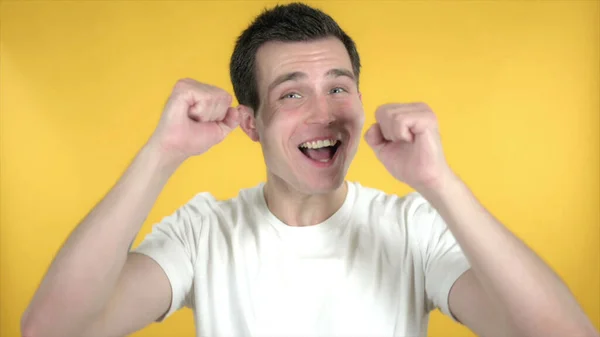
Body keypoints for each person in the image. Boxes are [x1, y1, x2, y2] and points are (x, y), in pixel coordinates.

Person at [21, 3, 597, 337]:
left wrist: (441, 185)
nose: (326, 113)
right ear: (251, 122)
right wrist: (161, 154)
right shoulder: (203, 234)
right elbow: (51, 330)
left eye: (339, 87)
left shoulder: (411, 229)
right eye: (292, 95)